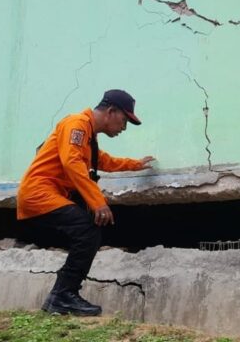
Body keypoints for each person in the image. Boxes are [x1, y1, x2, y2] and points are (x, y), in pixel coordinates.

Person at [17, 89, 154, 316]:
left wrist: (135, 164)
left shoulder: (89, 136)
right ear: (111, 111)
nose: (124, 127)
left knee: (90, 230)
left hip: (51, 194)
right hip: (39, 194)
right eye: (124, 120)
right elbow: (72, 163)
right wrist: (97, 202)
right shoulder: (76, 124)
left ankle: (62, 295)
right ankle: (62, 295)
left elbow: (102, 161)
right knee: (88, 229)